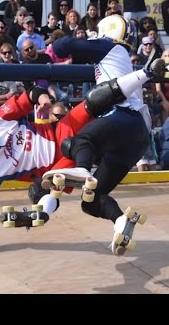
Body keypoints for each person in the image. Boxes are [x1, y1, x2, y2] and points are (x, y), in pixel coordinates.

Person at [0, 14, 167, 261]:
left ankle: (45, 206)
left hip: (63, 128)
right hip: (59, 163)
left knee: (92, 103)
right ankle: (104, 218)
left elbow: (29, 94)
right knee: (64, 187)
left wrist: (43, 99)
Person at [40, 14, 154, 256]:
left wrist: (67, 37)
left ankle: (81, 169)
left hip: (124, 118)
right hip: (137, 138)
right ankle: (121, 221)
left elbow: (62, 47)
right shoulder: (120, 56)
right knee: (92, 200)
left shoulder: (108, 46)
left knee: (81, 140)